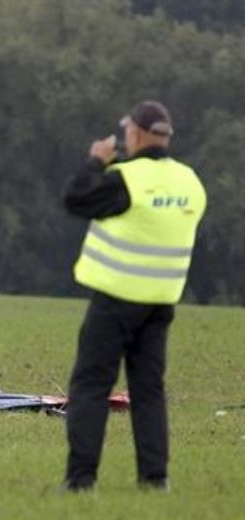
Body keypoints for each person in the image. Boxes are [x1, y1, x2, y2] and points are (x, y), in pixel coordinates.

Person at [61, 101, 206, 492]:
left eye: (128, 131)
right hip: (161, 301)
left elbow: (76, 199)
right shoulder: (190, 181)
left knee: (91, 386)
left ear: (138, 134)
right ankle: (155, 479)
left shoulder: (126, 179)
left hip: (116, 298)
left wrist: (95, 161)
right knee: (149, 390)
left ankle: (81, 480)